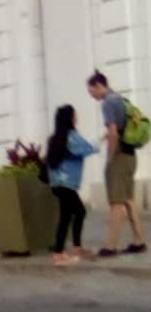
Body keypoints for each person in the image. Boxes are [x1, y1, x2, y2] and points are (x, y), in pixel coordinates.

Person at [86, 69, 147, 256]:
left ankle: (110, 246)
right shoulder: (120, 99)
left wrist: (110, 157)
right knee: (128, 200)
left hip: (119, 156)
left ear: (99, 85)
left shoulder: (107, 103)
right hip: (130, 155)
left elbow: (113, 132)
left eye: (92, 91)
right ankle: (139, 241)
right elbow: (120, 128)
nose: (92, 96)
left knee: (116, 202)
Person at [46, 105, 98, 266]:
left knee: (70, 214)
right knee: (75, 213)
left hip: (57, 184)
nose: (77, 118)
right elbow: (86, 149)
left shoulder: (55, 138)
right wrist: (101, 140)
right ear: (69, 118)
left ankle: (75, 247)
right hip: (66, 184)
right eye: (74, 115)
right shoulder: (71, 137)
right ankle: (59, 254)